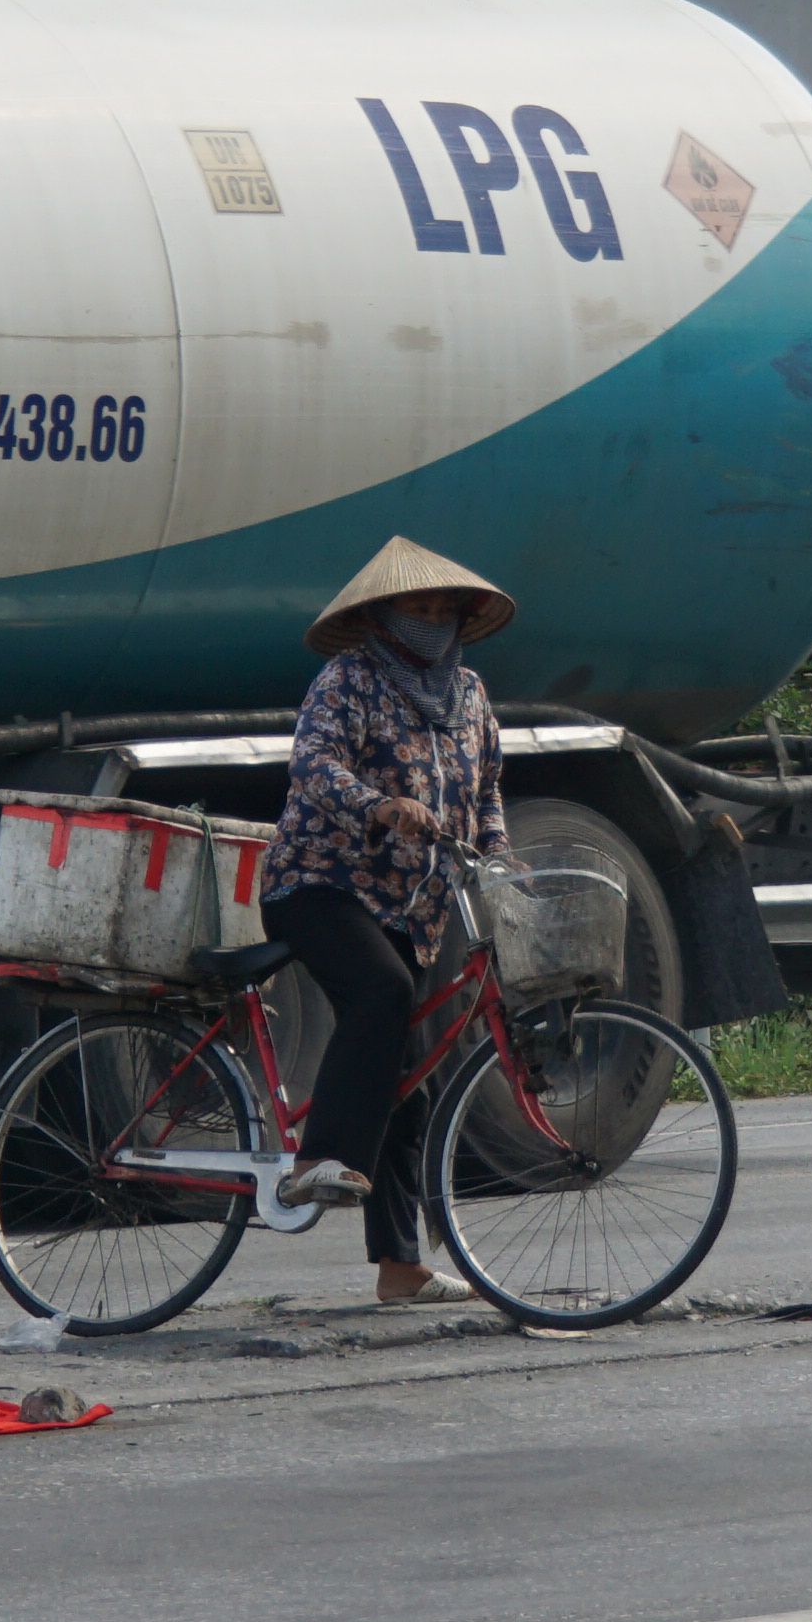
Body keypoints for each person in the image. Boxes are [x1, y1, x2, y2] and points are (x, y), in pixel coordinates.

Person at [255, 535, 515, 1309]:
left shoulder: (469, 693)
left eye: (444, 609)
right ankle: (317, 1160)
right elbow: (314, 766)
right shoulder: (347, 682)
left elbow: (489, 786)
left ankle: (400, 1268)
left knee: (412, 1079)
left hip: (418, 904)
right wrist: (380, 807)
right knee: (380, 992)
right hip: (321, 882)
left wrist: (499, 852)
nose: (433, 620)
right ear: (384, 614)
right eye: (418, 607)